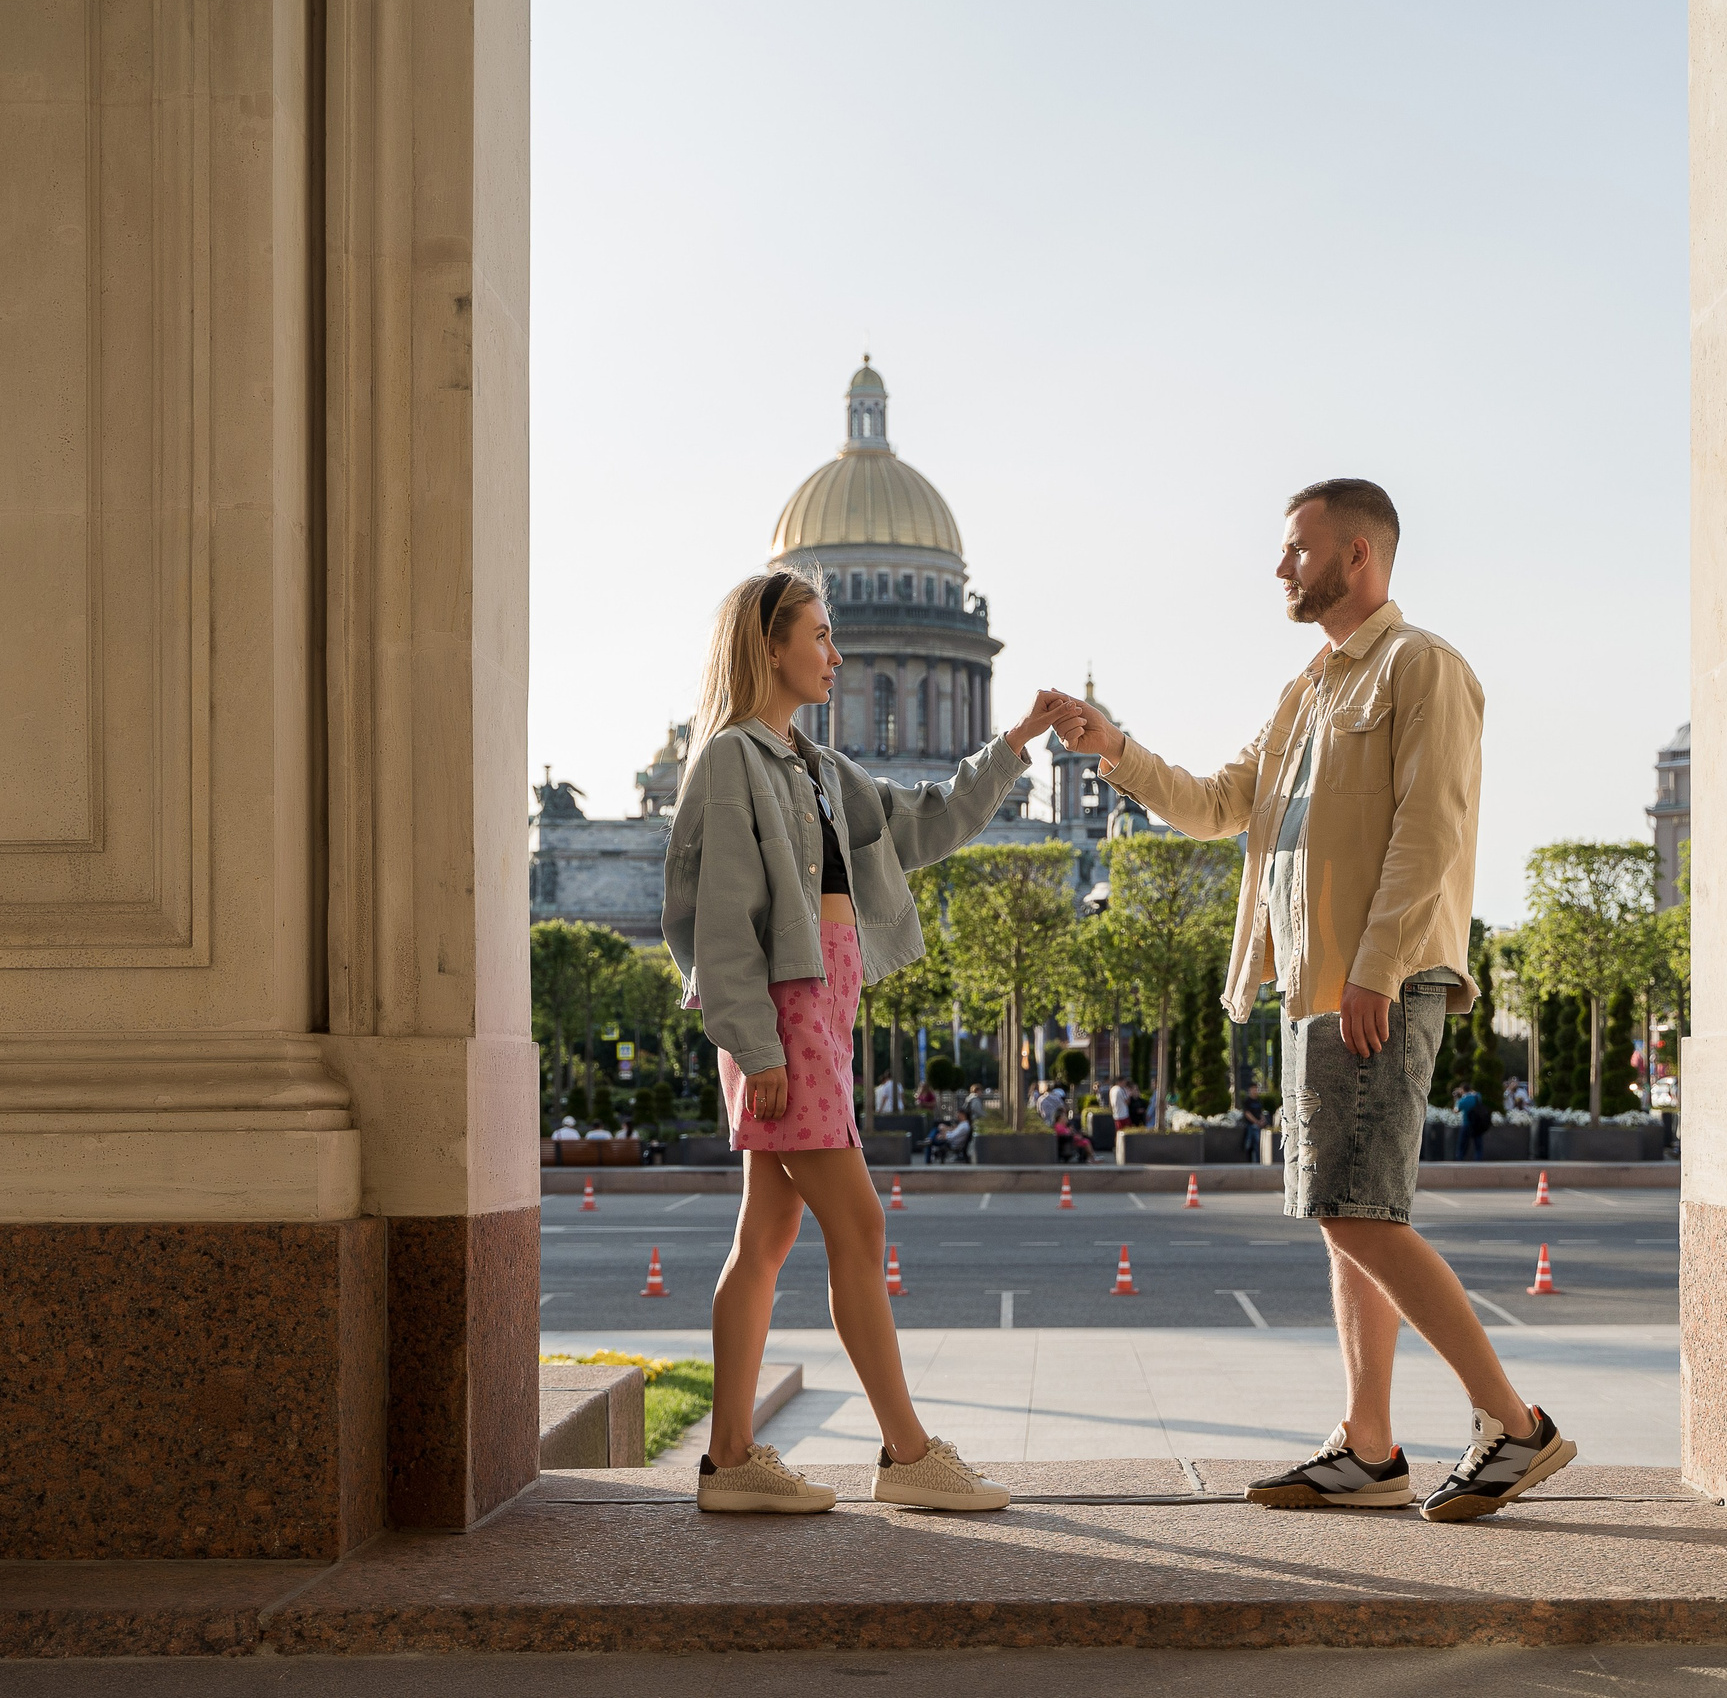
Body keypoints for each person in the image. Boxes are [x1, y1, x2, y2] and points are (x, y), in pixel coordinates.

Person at [1046, 477, 1577, 1523]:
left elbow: (1434, 826)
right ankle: (1371, 1449)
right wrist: (1114, 750)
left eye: (1297, 548)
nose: (1281, 567)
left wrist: (1376, 966)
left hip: (1373, 980)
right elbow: (1213, 807)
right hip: (1316, 986)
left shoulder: (1422, 666)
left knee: (1360, 1215)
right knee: (1345, 1217)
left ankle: (1515, 1426)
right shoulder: (1308, 691)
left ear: (1359, 556)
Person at [664, 567, 1065, 1516]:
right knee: (860, 1225)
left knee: (764, 1239)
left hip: (822, 1011)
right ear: (770, 644)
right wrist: (756, 1047)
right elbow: (717, 923)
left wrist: (1012, 747)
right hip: (787, 1018)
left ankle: (729, 1461)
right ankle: (908, 1452)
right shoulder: (731, 759)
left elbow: (924, 824)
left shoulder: (820, 769)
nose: (837, 656)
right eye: (820, 635)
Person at [1453, 1086, 1492, 1162]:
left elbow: (1456, 1110)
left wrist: (1456, 1099)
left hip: (1466, 1123)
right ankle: (1478, 1160)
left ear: (1462, 1090)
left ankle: (1459, 1160)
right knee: (1478, 1145)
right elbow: (1476, 1093)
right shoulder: (1477, 1097)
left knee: (1462, 1145)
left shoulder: (1463, 1100)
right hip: (1477, 1124)